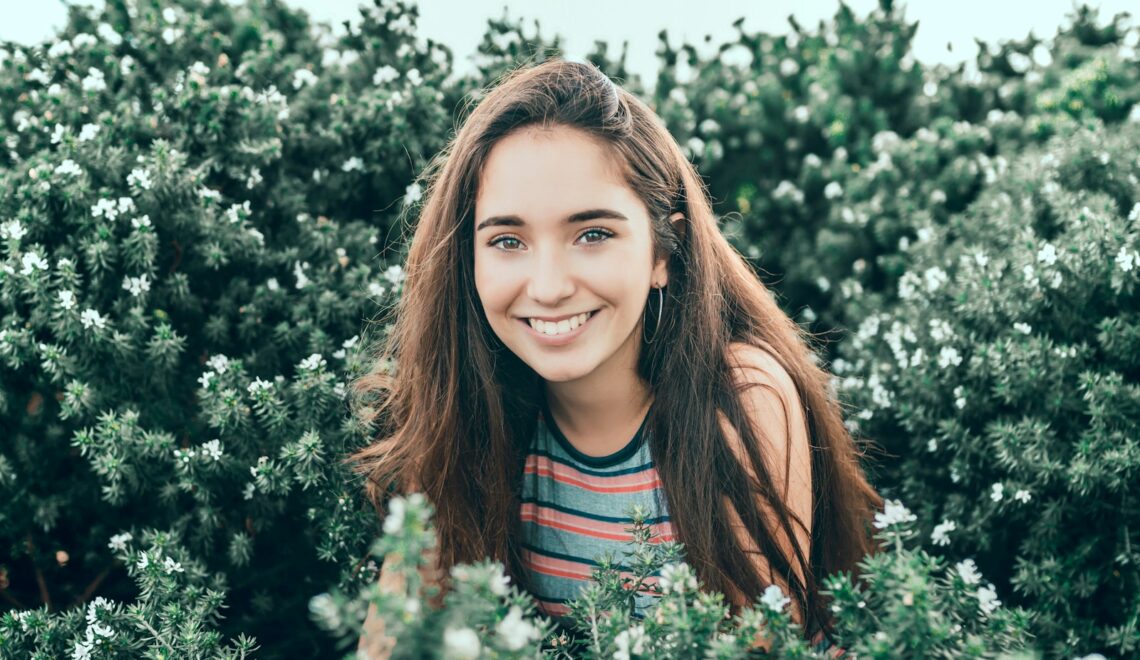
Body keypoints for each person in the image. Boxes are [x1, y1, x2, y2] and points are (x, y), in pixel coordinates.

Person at [346, 56, 883, 657]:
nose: (547, 286)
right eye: (507, 241)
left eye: (592, 234)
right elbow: (390, 637)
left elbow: (750, 648)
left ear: (663, 251)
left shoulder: (742, 396)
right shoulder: (464, 406)